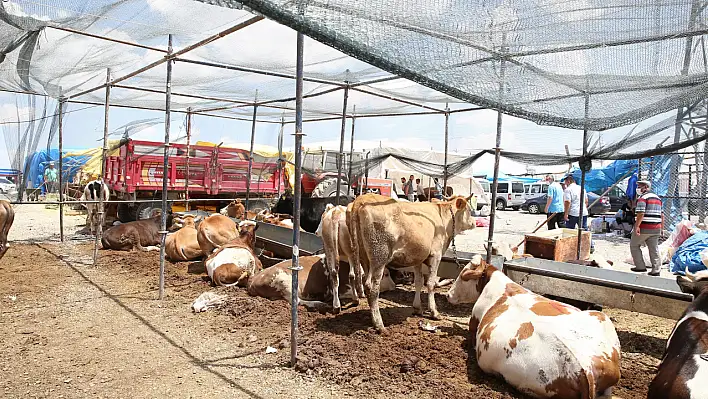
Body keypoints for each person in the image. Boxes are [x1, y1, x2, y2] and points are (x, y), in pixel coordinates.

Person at [630, 180, 663, 276]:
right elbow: (662, 214)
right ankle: (656, 270)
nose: (638, 189)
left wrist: (637, 226)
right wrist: (662, 228)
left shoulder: (642, 198)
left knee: (634, 245)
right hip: (656, 227)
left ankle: (640, 267)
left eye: (640, 186)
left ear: (646, 187)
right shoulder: (658, 199)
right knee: (654, 249)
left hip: (645, 227)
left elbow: (641, 213)